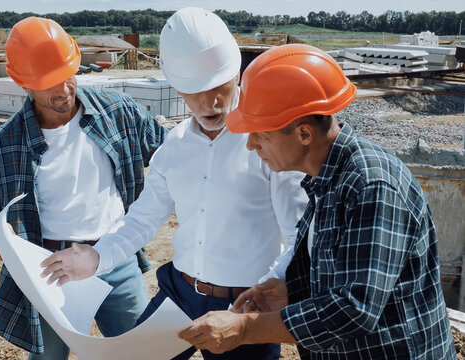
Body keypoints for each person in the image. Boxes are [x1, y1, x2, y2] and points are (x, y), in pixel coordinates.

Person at [40, 8, 308, 360]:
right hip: (179, 295)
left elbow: (297, 235)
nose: (209, 103)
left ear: (236, 73)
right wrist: (97, 256)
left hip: (244, 302)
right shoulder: (175, 145)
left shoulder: (270, 145)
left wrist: (264, 291)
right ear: (177, 86)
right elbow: (142, 220)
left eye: (219, 87)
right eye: (195, 91)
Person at [178, 44, 457, 359]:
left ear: (304, 134)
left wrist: (245, 329)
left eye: (260, 135)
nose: (251, 145)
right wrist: (291, 293)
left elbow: (354, 310)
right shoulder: (324, 178)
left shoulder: (371, 185)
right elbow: (337, 271)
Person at [0, 17, 167, 360]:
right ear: (23, 83)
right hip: (50, 271)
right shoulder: (3, 147)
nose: (63, 90)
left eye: (67, 77)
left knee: (139, 354)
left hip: (114, 259)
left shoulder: (118, 113)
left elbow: (172, 155)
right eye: (49, 84)